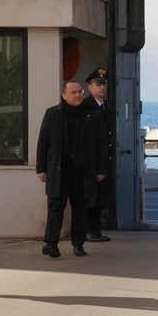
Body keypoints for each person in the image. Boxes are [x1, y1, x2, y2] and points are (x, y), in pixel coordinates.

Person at [35, 80, 107, 258]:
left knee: (80, 209)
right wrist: (41, 168)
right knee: (55, 207)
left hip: (82, 171)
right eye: (73, 92)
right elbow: (43, 142)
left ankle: (79, 243)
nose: (78, 95)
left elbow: (101, 144)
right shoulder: (53, 114)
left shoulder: (92, 114)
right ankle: (51, 244)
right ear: (64, 95)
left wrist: (101, 170)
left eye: (80, 92)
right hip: (59, 170)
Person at [83, 67, 115, 242]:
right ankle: (89, 230)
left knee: (101, 196)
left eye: (104, 83)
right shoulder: (86, 107)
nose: (102, 87)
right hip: (90, 160)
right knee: (89, 197)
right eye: (98, 84)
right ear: (90, 87)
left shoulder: (107, 107)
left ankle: (97, 230)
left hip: (103, 158)